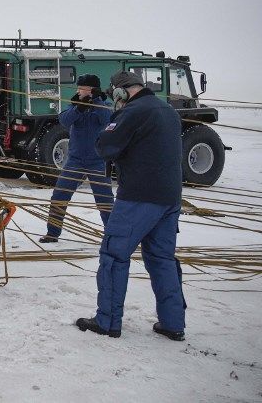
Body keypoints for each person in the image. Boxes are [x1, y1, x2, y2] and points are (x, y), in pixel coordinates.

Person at [75, 70, 187, 341]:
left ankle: (108, 322)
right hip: (169, 197)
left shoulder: (133, 112)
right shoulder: (168, 110)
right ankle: (173, 324)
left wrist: (111, 119)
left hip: (138, 197)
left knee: (114, 256)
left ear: (120, 92)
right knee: (162, 259)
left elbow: (105, 146)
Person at [38, 74, 114, 243]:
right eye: (78, 88)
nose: (78, 91)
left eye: (81, 88)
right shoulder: (74, 105)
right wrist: (79, 107)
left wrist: (95, 101)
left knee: (105, 201)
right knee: (59, 196)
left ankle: (112, 236)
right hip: (75, 161)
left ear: (91, 89)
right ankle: (52, 233)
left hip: (98, 161)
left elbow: (106, 119)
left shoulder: (105, 105)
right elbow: (64, 120)